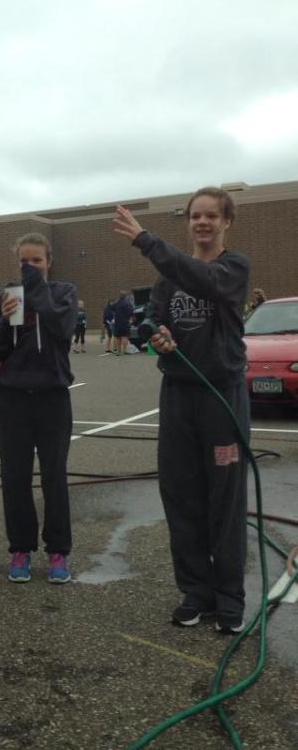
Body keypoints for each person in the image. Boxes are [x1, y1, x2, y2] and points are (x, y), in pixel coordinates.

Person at [113, 187, 249, 635]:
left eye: (211, 216)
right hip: (178, 395)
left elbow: (202, 280)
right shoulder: (167, 278)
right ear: (188, 222)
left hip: (221, 396)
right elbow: (151, 320)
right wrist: (156, 334)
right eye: (195, 216)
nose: (202, 223)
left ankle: (230, 598)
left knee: (224, 499)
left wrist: (146, 241)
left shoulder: (234, 268)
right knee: (180, 494)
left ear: (226, 221)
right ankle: (196, 593)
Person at [0, 232, 77, 584]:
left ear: (49, 262)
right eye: (25, 262)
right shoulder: (7, 297)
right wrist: (4, 321)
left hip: (52, 398)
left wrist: (36, 289)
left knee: (54, 477)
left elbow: (62, 328)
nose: (30, 268)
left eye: (37, 261)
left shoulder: (63, 293)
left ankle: (58, 552)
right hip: (14, 399)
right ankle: (20, 548)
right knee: (15, 478)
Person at [112, 290, 133, 355]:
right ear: (125, 296)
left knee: (118, 337)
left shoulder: (116, 303)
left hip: (117, 322)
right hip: (125, 322)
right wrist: (130, 319)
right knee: (125, 336)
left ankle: (118, 351)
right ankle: (125, 350)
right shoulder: (127, 303)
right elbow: (131, 312)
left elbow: (112, 308)